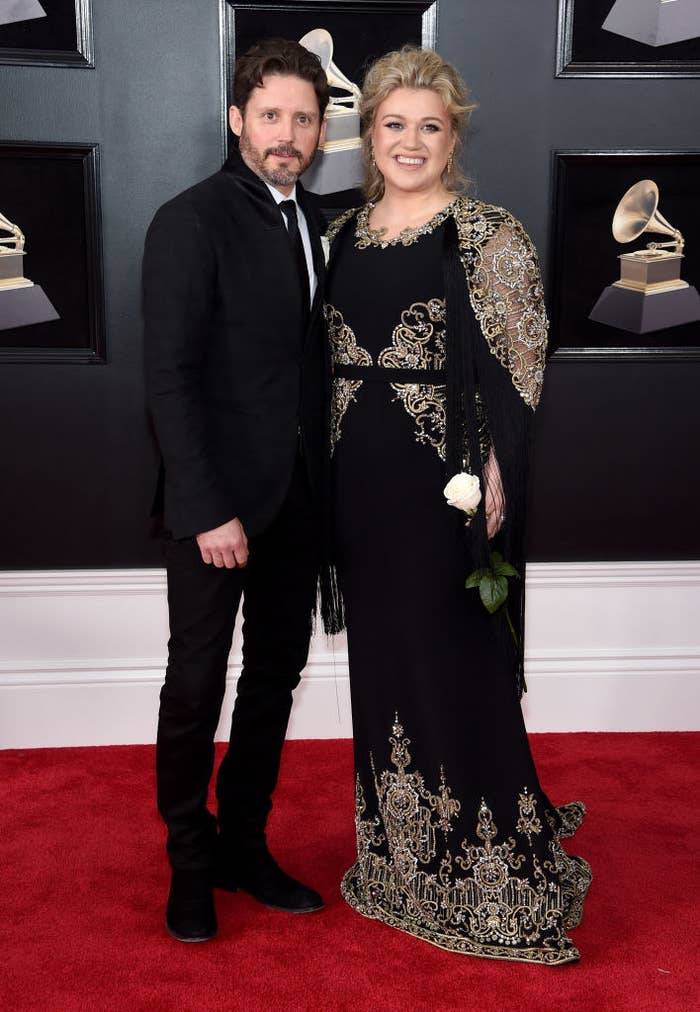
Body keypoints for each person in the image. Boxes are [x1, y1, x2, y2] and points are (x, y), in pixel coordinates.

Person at [323, 47, 592, 964]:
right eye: (393, 124)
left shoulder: (485, 233)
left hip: (445, 489)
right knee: (385, 661)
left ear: (452, 138)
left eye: (429, 128)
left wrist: (498, 470)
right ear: (369, 135)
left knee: (455, 661)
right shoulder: (343, 236)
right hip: (358, 489)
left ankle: (490, 864)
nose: (410, 142)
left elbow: (522, 361)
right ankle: (403, 858)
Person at [143, 38, 330, 943]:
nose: (286, 133)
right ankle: (188, 859)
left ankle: (244, 848)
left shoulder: (321, 222)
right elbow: (170, 380)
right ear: (236, 120)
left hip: (297, 502)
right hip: (215, 507)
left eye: (302, 118)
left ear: (321, 130)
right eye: (270, 116)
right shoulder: (190, 220)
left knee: (274, 679)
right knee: (195, 683)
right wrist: (206, 506)